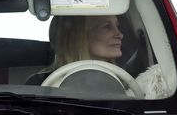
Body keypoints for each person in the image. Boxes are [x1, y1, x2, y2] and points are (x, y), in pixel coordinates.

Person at [30, 15, 169, 98]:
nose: (120, 34)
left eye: (117, 25)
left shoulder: (130, 82)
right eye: (106, 27)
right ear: (79, 36)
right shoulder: (39, 83)